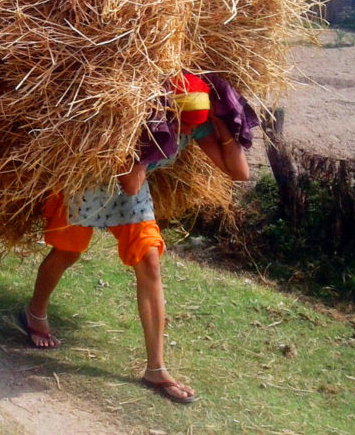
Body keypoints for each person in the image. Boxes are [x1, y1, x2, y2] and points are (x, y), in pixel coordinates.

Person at [20, 72, 257, 405]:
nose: (189, 133)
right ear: (169, 115)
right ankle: (35, 312)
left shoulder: (194, 119)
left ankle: (156, 369)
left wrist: (223, 132)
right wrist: (154, 144)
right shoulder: (142, 122)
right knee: (67, 253)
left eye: (194, 127)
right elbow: (130, 181)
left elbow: (239, 172)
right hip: (89, 177)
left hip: (129, 192)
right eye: (185, 127)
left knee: (150, 261)